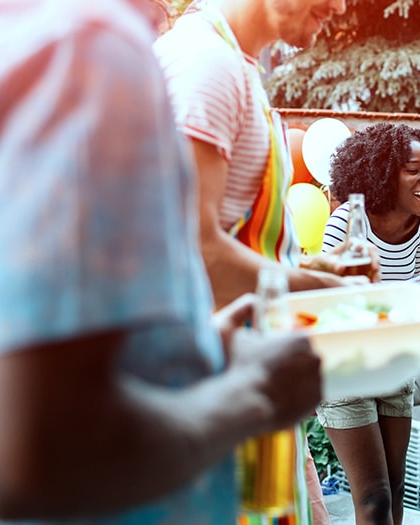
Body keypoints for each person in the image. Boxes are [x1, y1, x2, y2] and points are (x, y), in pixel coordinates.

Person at [0, 0, 322, 523]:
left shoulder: (3, 28)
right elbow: (33, 455)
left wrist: (198, 349)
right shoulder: (86, 45)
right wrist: (256, 396)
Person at [153, 1, 364, 523]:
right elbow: (192, 250)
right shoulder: (206, 65)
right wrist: (316, 289)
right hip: (211, 387)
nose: (339, 7)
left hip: (244, 377)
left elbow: (231, 236)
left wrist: (318, 271)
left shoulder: (232, 64)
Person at [318, 123, 420, 525]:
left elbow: (407, 289)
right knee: (374, 499)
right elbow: (330, 303)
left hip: (393, 363)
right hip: (345, 367)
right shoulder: (348, 222)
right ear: (381, 174)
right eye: (412, 169)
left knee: (396, 495)